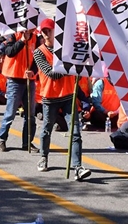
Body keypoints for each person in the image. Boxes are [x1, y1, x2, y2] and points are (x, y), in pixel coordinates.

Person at [34, 18, 91, 181]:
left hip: (68, 96)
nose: (45, 33)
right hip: (50, 98)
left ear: (55, 31)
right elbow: (50, 73)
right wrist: (69, 67)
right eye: (43, 31)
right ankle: (43, 157)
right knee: (46, 129)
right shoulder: (39, 52)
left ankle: (77, 167)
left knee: (75, 132)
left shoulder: (66, 49)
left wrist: (71, 66)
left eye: (48, 30)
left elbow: (76, 65)